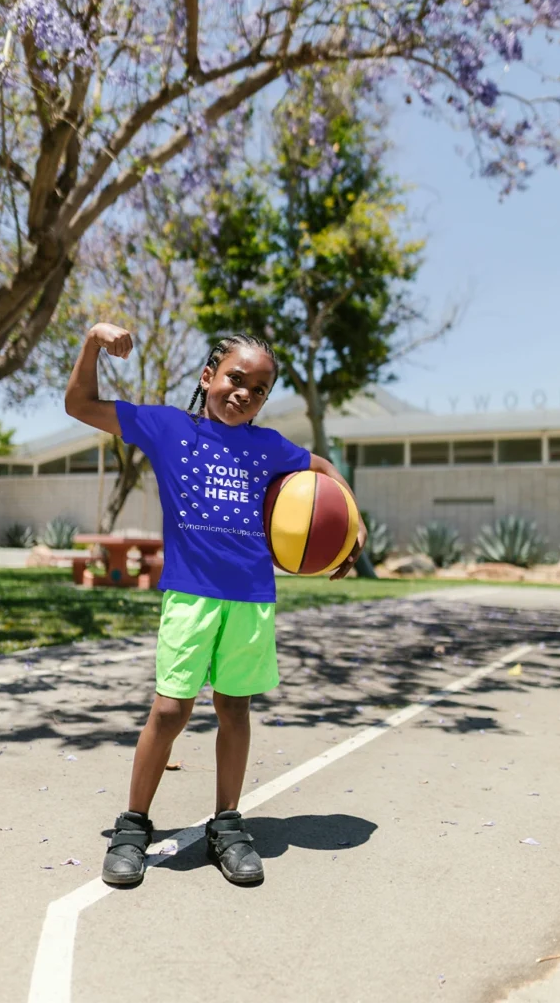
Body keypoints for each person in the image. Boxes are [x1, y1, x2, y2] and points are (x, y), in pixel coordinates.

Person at [65, 322, 366, 887]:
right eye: (235, 378)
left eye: (259, 388)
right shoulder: (168, 427)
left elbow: (323, 471)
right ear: (208, 376)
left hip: (251, 599)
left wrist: (353, 523)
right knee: (171, 711)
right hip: (190, 596)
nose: (244, 394)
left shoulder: (271, 448)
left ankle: (226, 824)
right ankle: (134, 826)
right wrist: (92, 343)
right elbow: (79, 403)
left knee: (234, 709)